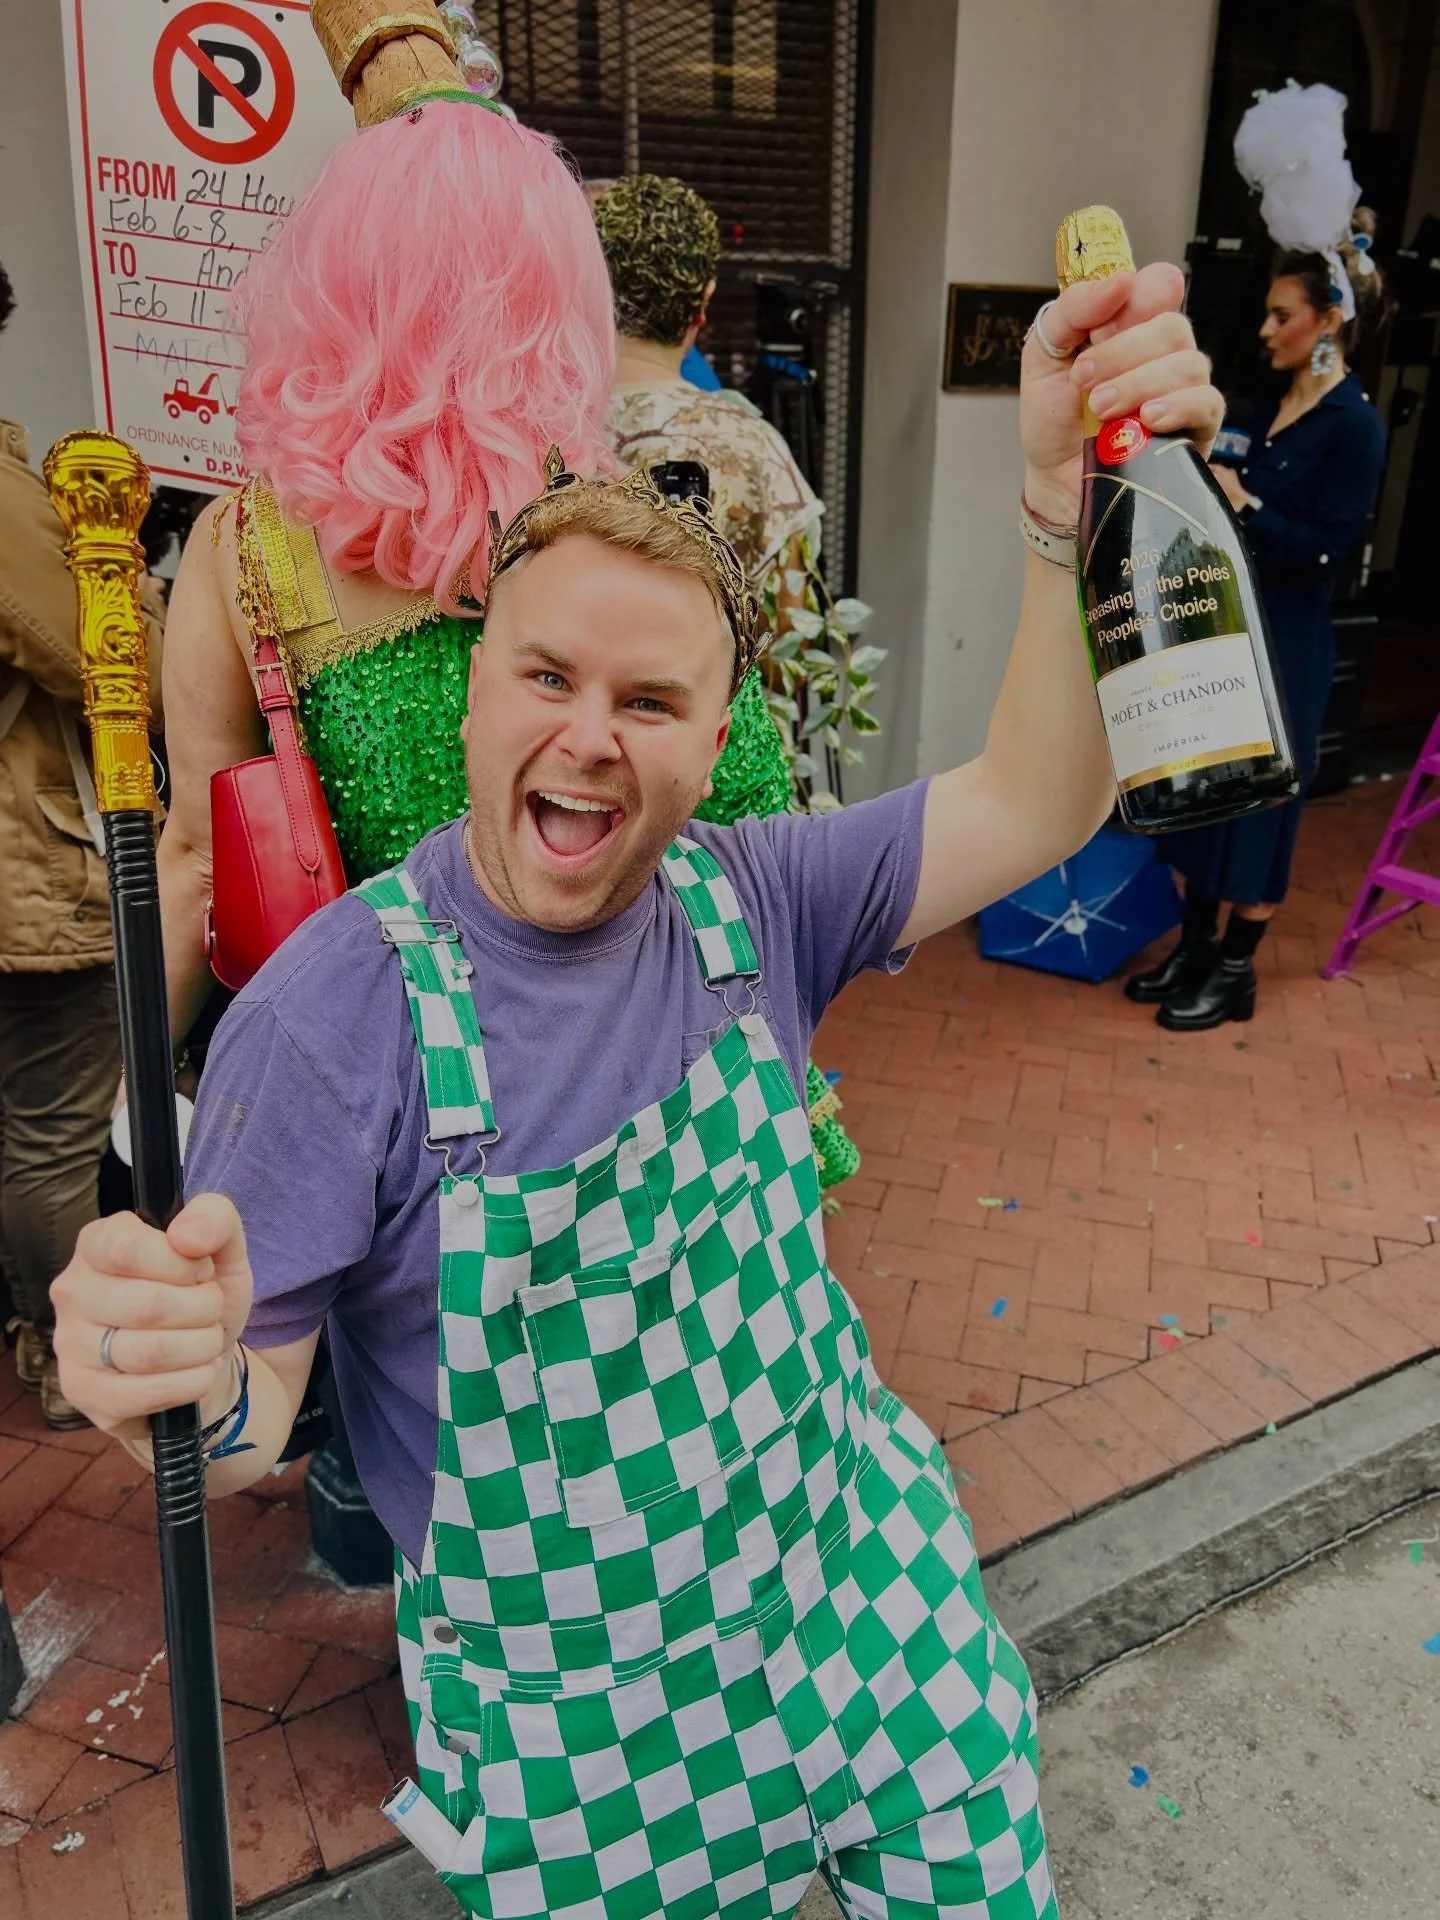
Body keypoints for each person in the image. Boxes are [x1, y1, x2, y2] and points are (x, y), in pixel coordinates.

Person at [52, 254, 1220, 1917]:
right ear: (476, 689)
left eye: (651, 700)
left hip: (865, 1609)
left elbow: (1041, 796)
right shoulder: (333, 1015)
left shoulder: (761, 901)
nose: (592, 736)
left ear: (717, 736)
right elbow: (242, 1419)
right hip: (585, 1743)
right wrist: (162, 1376)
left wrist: (1063, 510)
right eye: (549, 676)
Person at [154, 3, 618, 1051]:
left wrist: (125, 1097)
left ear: (335, 279)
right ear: (552, 283)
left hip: (377, 1079)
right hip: (614, 1064)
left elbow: (198, 864)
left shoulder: (245, 544)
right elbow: (747, 815)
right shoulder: (618, 526)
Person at [593, 171, 859, 1190]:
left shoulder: (534, 434)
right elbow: (790, 639)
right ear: (701, 305)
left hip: (579, 774)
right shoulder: (746, 445)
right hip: (718, 784)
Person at [1126, 88, 1389, 1030]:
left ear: (1328, 321)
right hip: (1228, 633)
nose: (1268, 331)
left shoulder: (1354, 428)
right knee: (1210, 790)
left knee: (1264, 809)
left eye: (1284, 316)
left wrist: (1247, 502)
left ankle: (1234, 970)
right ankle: (1195, 947)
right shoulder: (1262, 408)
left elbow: (1328, 553)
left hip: (1291, 642)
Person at [0, 259, 164, 1427]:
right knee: (52, 1136)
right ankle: (62, 1355)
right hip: (34, 875)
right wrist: (138, 577)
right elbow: (122, 669)